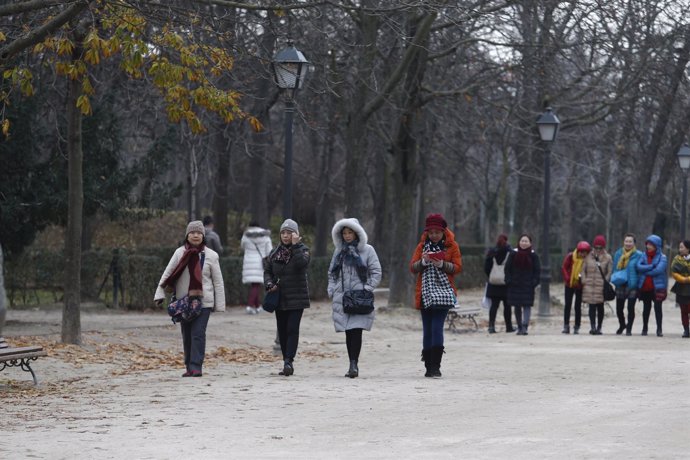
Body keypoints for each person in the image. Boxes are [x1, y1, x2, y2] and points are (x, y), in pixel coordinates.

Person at [154, 220, 226, 377]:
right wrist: (159, 293)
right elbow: (168, 273)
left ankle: (196, 366)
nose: (196, 235)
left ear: (203, 236)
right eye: (192, 232)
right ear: (187, 235)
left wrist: (219, 304)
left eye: (199, 233)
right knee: (186, 335)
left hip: (203, 302)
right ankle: (188, 366)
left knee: (198, 333)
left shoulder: (212, 256)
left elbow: (218, 282)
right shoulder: (179, 253)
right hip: (183, 302)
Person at [327, 218, 382, 378]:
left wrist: (367, 288)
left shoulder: (368, 250)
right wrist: (331, 289)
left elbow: (376, 271)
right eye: (344, 233)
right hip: (342, 297)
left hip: (359, 297)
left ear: (356, 233)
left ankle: (354, 364)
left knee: (356, 331)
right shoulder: (339, 251)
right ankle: (351, 362)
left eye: (350, 232)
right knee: (348, 332)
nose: (347, 236)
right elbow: (331, 272)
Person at [409, 213, 462, 378]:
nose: (434, 235)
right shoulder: (421, 246)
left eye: (437, 232)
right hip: (425, 293)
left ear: (443, 231)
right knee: (427, 330)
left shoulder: (452, 246)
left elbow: (458, 267)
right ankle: (428, 366)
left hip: (444, 293)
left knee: (437, 328)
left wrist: (442, 264)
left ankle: (436, 366)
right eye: (431, 232)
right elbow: (412, 267)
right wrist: (424, 262)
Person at [264, 218, 310, 376]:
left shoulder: (303, 250)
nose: (285, 235)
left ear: (296, 234)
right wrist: (269, 283)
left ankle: (289, 360)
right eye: (283, 232)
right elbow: (268, 271)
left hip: (297, 298)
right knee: (282, 330)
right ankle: (285, 361)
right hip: (280, 298)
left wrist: (296, 246)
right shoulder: (275, 252)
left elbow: (301, 264)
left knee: (292, 329)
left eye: (289, 233)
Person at [504, 233, 540, 335]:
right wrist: (508, 280)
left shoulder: (533, 255)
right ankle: (519, 326)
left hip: (528, 285)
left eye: (526, 241)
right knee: (517, 306)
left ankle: (525, 326)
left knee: (527, 306)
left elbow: (537, 270)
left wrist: (534, 282)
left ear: (530, 243)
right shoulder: (513, 254)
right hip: (515, 285)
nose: (524, 243)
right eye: (522, 241)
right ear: (519, 242)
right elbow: (507, 269)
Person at [635, 234, 667, 337]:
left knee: (658, 308)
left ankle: (659, 329)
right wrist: (651, 266)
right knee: (646, 308)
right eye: (647, 244)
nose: (648, 246)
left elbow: (659, 270)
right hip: (645, 286)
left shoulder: (663, 257)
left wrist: (646, 270)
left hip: (657, 287)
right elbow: (638, 266)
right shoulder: (643, 255)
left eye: (651, 244)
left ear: (656, 245)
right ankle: (645, 328)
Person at [611, 233, 642, 335]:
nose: (628, 243)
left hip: (632, 284)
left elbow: (641, 270)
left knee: (630, 308)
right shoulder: (618, 254)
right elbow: (615, 268)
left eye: (630, 241)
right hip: (620, 283)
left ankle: (629, 328)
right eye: (626, 241)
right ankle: (622, 324)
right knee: (619, 308)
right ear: (623, 242)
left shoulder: (639, 255)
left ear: (634, 243)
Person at [581, 234, 613, 335]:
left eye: (600, 247)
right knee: (591, 306)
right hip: (589, 285)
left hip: (601, 285)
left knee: (600, 306)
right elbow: (583, 269)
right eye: (596, 247)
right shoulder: (588, 257)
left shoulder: (607, 258)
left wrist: (606, 281)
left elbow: (610, 271)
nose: (598, 249)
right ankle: (593, 327)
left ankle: (599, 327)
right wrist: (584, 280)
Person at [484, 234, 514, 333]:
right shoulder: (510, 252)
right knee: (507, 306)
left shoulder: (491, 252)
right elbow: (512, 267)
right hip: (506, 283)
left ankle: (491, 326)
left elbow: (486, 268)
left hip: (494, 284)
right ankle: (509, 327)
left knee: (494, 306)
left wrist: (491, 276)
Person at [241, 222, 273, 315]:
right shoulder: (266, 236)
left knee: (254, 285)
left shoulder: (245, 235)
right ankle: (250, 306)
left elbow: (242, 247)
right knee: (256, 285)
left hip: (248, 262)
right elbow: (269, 251)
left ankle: (258, 307)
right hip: (260, 262)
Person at [560, 241, 591, 334]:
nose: (583, 254)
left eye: (585, 252)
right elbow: (564, 267)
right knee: (568, 305)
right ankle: (566, 325)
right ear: (578, 251)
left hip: (580, 285)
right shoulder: (570, 256)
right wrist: (567, 278)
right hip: (570, 283)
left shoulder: (588, 260)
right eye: (581, 252)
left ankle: (577, 326)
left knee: (578, 306)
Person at [670, 240, 690, 338]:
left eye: (682, 247)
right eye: (679, 247)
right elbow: (674, 271)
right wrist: (683, 279)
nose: (680, 249)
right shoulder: (677, 259)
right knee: (684, 310)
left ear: (688, 248)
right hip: (681, 288)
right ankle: (686, 330)